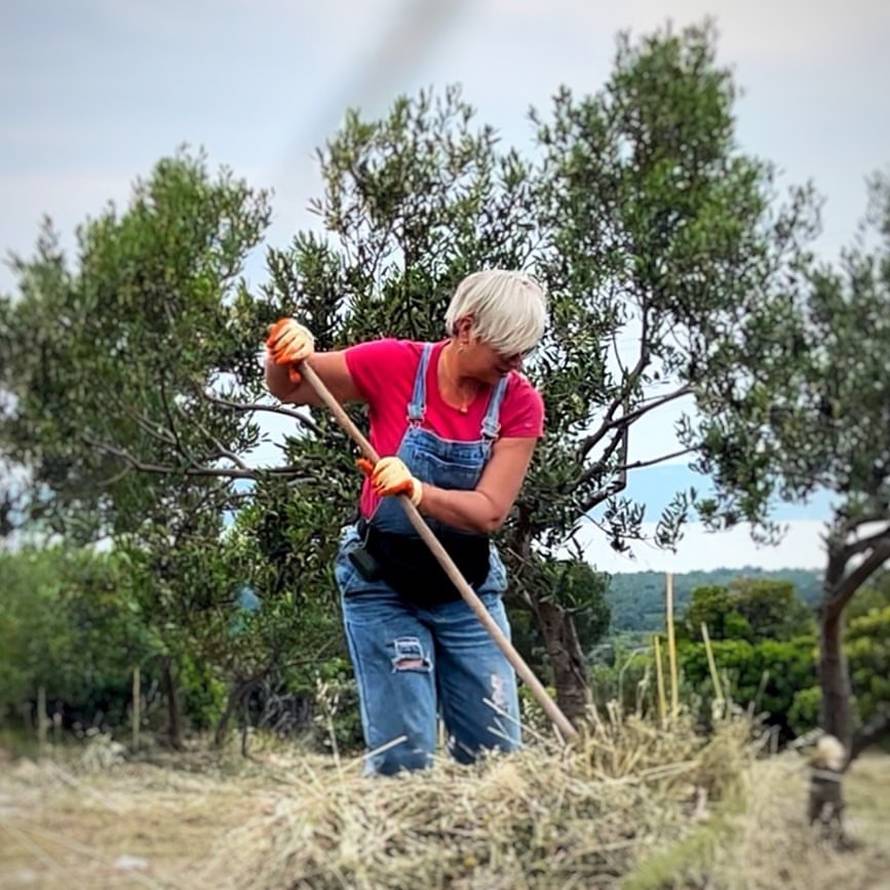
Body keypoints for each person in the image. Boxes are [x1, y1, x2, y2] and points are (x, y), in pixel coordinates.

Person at [264, 269, 548, 775]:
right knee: (405, 757)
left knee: (497, 757)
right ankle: (397, 849)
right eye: (506, 348)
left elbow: (490, 511)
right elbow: (291, 386)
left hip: (467, 589)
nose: (516, 363)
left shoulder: (518, 401)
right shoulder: (394, 364)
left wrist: (419, 490)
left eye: (524, 351)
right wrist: (283, 350)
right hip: (384, 586)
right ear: (465, 328)